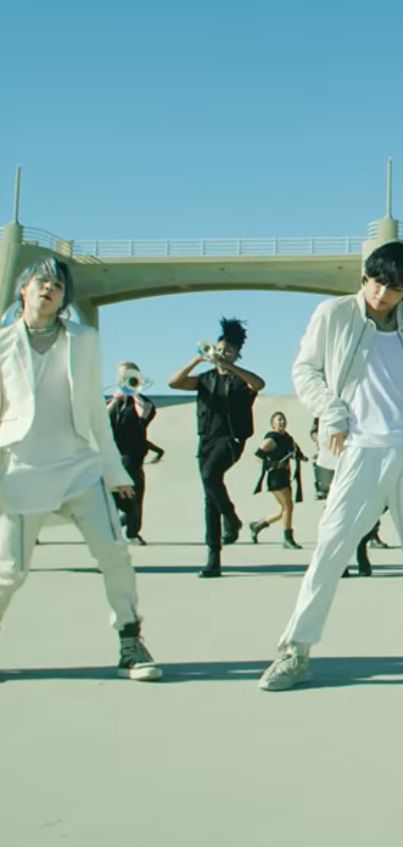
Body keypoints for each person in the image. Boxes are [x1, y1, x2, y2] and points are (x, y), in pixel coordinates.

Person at [259, 241, 403, 690]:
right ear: (364, 278)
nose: (381, 293)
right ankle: (294, 652)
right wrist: (332, 412)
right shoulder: (334, 314)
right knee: (330, 550)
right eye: (376, 282)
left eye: (393, 288)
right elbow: (305, 371)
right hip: (359, 449)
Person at [0, 258, 160, 680]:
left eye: (57, 285)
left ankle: (130, 641)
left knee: (115, 553)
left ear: (64, 298)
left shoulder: (84, 339)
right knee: (9, 572)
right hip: (21, 469)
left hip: (79, 467)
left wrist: (115, 471)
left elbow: (93, 410)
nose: (49, 288)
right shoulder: (3, 343)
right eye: (42, 281)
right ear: (24, 289)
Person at [168, 318, 264, 578]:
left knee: (210, 476)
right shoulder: (205, 379)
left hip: (231, 440)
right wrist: (197, 359)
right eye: (220, 349)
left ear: (237, 354)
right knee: (210, 496)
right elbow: (174, 383)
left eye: (229, 351)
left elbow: (258, 384)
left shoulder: (240, 380)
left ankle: (231, 519)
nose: (223, 353)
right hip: (206, 440)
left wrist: (230, 367)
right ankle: (214, 558)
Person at [107, 361, 156, 545]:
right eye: (122, 375)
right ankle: (111, 531)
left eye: (129, 374)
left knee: (134, 498)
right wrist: (115, 399)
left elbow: (146, 412)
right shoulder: (114, 402)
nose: (124, 377)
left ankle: (133, 533)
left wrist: (134, 392)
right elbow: (102, 419)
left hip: (132, 458)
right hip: (113, 457)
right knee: (111, 499)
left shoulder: (142, 402)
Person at [248, 411, 307, 549]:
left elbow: (296, 451)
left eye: (283, 419)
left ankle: (258, 525)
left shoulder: (288, 438)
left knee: (284, 510)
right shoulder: (271, 439)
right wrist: (272, 464)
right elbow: (257, 457)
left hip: (285, 476)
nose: (282, 422)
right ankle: (288, 539)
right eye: (279, 420)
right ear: (273, 424)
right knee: (288, 507)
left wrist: (301, 457)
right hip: (275, 478)